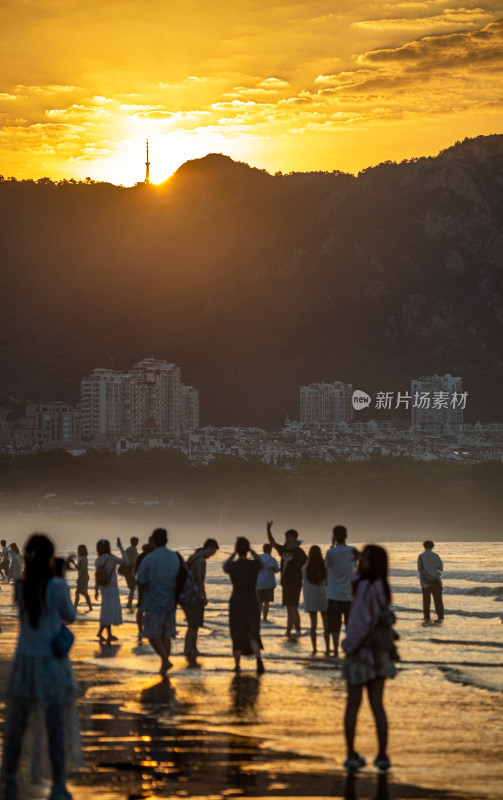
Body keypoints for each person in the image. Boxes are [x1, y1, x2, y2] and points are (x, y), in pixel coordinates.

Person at [1, 533, 81, 800]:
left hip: (24, 662)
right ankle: (58, 784)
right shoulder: (56, 585)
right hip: (51, 663)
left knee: (17, 725)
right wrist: (62, 577)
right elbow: (69, 615)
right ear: (49, 556)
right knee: (55, 724)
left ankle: (9, 779)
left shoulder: (21, 586)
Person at [341, 544, 397, 772]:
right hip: (380, 652)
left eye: (365, 557)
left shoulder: (363, 585)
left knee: (353, 704)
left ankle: (351, 755)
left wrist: (348, 645)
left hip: (361, 652)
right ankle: (382, 755)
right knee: (377, 705)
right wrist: (359, 562)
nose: (361, 560)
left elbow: (360, 621)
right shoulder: (381, 586)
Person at [135, 527, 180, 675]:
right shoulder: (175, 557)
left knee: (152, 635)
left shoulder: (150, 558)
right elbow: (180, 578)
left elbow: (141, 581)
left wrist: (141, 601)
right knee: (166, 635)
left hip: (154, 602)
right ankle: (164, 662)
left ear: (153, 541)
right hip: (171, 602)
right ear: (166, 540)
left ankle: (165, 661)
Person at [223, 537, 264, 675]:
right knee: (253, 631)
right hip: (252, 600)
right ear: (247, 550)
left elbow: (225, 565)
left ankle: (237, 665)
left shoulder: (233, 566)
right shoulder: (253, 565)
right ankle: (258, 659)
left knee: (237, 632)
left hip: (237, 600)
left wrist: (234, 553)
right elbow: (261, 562)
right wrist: (251, 550)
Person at [182, 538, 219, 665]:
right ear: (209, 548)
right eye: (213, 552)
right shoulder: (200, 560)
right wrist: (204, 596)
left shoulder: (193, 557)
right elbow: (199, 580)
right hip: (194, 595)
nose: (212, 555)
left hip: (186, 594)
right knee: (194, 624)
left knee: (191, 624)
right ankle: (192, 649)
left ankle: (188, 648)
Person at [266, 521, 307, 637]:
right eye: (286, 537)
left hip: (295, 583)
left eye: (288, 538)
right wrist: (268, 530)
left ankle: (288, 631)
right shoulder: (284, 550)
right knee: (293, 608)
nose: (286, 539)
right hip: (286, 583)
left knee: (291, 608)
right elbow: (272, 543)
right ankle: (298, 630)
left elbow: (308, 564)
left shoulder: (299, 552)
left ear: (295, 538)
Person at [325, 525, 358, 658]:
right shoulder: (353, 551)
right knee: (349, 625)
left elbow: (326, 566)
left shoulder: (331, 552)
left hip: (334, 594)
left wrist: (332, 546)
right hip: (350, 595)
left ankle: (335, 650)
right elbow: (355, 567)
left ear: (334, 537)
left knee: (334, 626)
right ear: (346, 536)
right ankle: (350, 649)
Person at [94, 538, 127, 643]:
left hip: (104, 589)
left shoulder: (98, 560)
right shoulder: (111, 558)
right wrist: (120, 547)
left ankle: (108, 634)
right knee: (110, 612)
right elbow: (125, 561)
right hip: (112, 588)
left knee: (107, 611)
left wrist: (96, 590)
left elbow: (97, 577)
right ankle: (101, 633)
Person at [302, 545, 329, 655]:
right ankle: (327, 648)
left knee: (313, 625)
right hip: (322, 595)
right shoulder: (324, 568)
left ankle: (314, 648)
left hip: (310, 597)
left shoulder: (304, 568)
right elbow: (327, 582)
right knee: (326, 624)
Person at [418, 540, 444, 624]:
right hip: (436, 581)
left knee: (426, 600)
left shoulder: (421, 556)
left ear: (423, 546)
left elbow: (420, 570)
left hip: (425, 581)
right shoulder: (436, 555)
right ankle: (440, 617)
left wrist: (422, 582)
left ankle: (427, 617)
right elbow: (440, 568)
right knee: (438, 600)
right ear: (433, 546)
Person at [135, 541, 154, 644]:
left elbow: (136, 571)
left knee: (141, 608)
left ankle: (141, 630)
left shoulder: (141, 557)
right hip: (147, 586)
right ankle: (144, 630)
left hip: (142, 586)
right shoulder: (149, 558)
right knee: (146, 609)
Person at [256, 543, 280, 622]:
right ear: (271, 550)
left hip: (258, 583)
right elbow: (276, 570)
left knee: (259, 601)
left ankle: (258, 618)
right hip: (268, 583)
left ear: (263, 549)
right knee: (266, 602)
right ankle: (265, 618)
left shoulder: (258, 558)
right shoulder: (271, 559)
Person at [74, 545, 92, 611]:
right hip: (82, 576)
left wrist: (79, 578)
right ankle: (90, 607)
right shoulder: (80, 558)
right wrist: (73, 563)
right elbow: (78, 567)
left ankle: (74, 607)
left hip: (83, 577)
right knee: (83, 592)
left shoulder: (84, 558)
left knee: (79, 592)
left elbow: (83, 569)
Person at [124, 536, 139, 611]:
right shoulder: (135, 552)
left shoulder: (127, 550)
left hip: (126, 571)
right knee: (133, 588)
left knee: (132, 588)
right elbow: (133, 563)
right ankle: (129, 604)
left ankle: (129, 604)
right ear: (137, 543)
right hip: (131, 572)